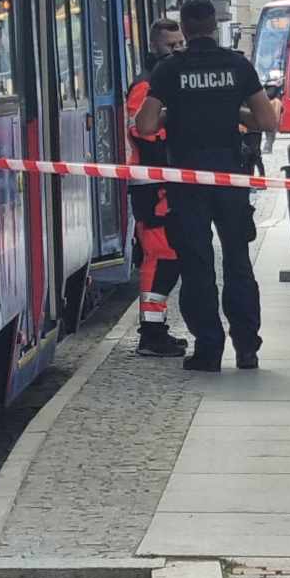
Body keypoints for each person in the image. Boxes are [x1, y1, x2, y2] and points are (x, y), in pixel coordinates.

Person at [135, 0, 279, 372]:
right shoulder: (237, 65)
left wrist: (175, 114)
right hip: (230, 178)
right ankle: (247, 347)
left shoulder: (169, 70)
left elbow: (145, 125)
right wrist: (232, 109)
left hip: (187, 182)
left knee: (197, 265)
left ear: (184, 27)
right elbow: (267, 121)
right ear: (214, 25)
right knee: (237, 262)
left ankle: (208, 349)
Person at [126, 19, 186, 357]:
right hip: (153, 185)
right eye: (170, 46)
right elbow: (144, 132)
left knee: (168, 257)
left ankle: (155, 328)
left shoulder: (166, 81)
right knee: (161, 256)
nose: (177, 51)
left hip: (165, 182)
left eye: (180, 45)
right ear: (155, 47)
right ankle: (150, 333)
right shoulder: (145, 86)